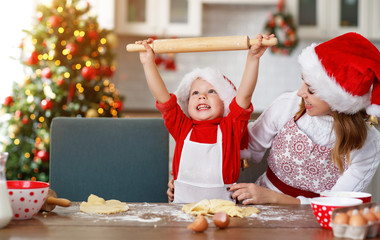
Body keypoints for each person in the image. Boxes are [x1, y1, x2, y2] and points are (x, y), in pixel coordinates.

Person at [168, 32, 380, 204]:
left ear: (340, 99)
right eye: (302, 81)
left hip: (313, 221)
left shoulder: (368, 144)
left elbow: (336, 204)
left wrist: (276, 198)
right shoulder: (287, 105)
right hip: (259, 207)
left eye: (312, 89)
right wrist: (193, 176)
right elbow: (244, 145)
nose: (300, 92)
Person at [137, 34, 274, 203]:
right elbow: (163, 97)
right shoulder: (182, 127)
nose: (202, 96)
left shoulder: (230, 127)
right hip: (182, 212)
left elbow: (244, 96)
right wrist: (148, 63)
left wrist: (253, 58)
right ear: (187, 103)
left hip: (224, 212)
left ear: (225, 102)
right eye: (195, 93)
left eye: (211, 91)